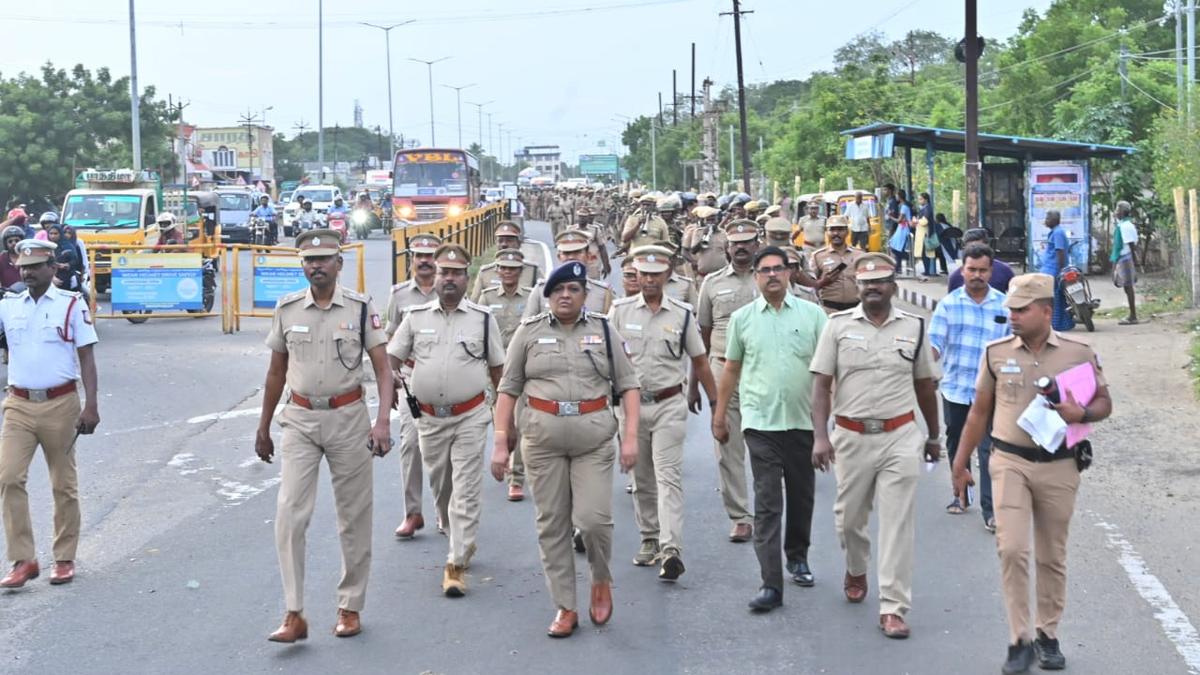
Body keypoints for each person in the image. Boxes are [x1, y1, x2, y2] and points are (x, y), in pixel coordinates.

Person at [951, 273, 1111, 674]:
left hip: (1059, 465)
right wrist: (960, 461)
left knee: (1051, 555)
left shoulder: (1078, 353)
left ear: (1045, 310)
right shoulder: (995, 352)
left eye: (1021, 310)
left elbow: (1105, 401)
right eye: (1010, 309)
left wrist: (1084, 413)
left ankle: (1047, 633)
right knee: (1012, 549)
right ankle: (1019, 638)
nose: (1013, 316)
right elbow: (978, 412)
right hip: (1009, 463)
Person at [489, 261, 641, 638]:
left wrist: (632, 437)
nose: (565, 296)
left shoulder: (604, 330)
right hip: (542, 441)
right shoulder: (529, 332)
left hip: (593, 440)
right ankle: (565, 605)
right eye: (559, 290)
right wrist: (500, 442)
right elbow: (508, 389)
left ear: (585, 295)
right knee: (552, 524)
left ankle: (600, 578)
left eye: (573, 289)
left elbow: (629, 385)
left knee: (593, 520)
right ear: (548, 296)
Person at [255, 229, 393, 643]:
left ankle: (350, 605)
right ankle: (294, 611)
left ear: (338, 264)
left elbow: (384, 371)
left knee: (353, 517)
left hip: (348, 417)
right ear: (303, 266)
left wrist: (382, 422)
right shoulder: (287, 308)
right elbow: (276, 372)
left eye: (324, 260)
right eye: (309, 261)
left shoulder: (360, 307)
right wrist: (262, 426)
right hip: (299, 418)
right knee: (289, 514)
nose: (316, 266)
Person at [810, 253, 942, 640]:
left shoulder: (915, 327)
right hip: (850, 436)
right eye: (866, 283)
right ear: (859, 287)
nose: (873, 288)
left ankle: (893, 606)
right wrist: (820, 436)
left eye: (881, 281)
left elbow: (925, 387)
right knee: (849, 520)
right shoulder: (836, 327)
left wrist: (933, 436)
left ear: (893, 287)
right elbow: (820, 385)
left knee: (898, 523)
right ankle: (855, 566)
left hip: (900, 436)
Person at [712, 245, 828, 612]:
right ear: (757, 277)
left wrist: (827, 423)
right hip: (760, 423)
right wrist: (719, 415)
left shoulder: (813, 315)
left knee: (802, 495)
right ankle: (770, 584)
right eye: (766, 270)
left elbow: (827, 372)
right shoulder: (743, 319)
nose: (773, 275)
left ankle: (798, 556)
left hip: (803, 422)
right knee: (766, 504)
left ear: (790, 273)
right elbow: (731, 368)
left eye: (780, 268)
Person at [388, 243, 505, 598]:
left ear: (466, 277)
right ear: (434, 276)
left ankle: (455, 562)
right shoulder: (415, 317)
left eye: (456, 273)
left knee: (466, 489)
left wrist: (505, 423)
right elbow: (391, 357)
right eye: (443, 272)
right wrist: (391, 379)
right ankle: (447, 522)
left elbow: (500, 373)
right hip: (429, 419)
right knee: (442, 486)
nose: (449, 279)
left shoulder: (483, 319)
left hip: (470, 416)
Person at [609, 247, 718, 579]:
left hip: (670, 404)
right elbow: (606, 362)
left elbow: (699, 361)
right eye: (644, 273)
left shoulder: (682, 314)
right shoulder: (619, 312)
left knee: (667, 477)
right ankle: (649, 539)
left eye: (657, 274)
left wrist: (717, 406)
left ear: (668, 275)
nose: (650, 280)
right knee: (641, 479)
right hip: (631, 408)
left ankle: (672, 549)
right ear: (637, 276)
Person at [0, 239, 100, 589]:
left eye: (35, 266)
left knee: (63, 484)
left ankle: (64, 557)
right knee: (8, 477)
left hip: (61, 403)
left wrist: (91, 405)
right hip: (18, 404)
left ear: (52, 268)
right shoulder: (8, 306)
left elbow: (86, 355)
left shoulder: (71, 305)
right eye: (23, 267)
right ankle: (23, 559)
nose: (27, 272)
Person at [929, 244, 1010, 530]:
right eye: (971, 269)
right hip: (956, 389)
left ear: (991, 271)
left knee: (989, 449)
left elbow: (1013, 346)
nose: (976, 275)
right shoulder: (949, 305)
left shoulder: (1005, 306)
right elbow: (935, 345)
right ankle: (960, 495)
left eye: (982, 270)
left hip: (991, 394)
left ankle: (991, 511)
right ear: (962, 270)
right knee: (955, 443)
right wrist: (922, 365)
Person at [695, 219, 761, 543]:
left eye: (748, 242)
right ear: (727, 248)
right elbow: (702, 337)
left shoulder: (771, 279)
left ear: (757, 245)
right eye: (737, 244)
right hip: (723, 370)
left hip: (765, 373)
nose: (743, 248)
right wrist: (696, 383)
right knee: (727, 445)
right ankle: (740, 516)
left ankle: (765, 508)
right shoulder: (711, 284)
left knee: (766, 445)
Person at [386, 233, 443, 539]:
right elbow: (390, 340)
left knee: (444, 450)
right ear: (411, 260)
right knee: (411, 445)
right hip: (411, 380)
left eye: (430, 255)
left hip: (445, 379)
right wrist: (390, 382)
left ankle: (445, 511)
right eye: (418, 256)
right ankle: (413, 512)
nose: (424, 261)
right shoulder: (398, 295)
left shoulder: (450, 290)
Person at [477, 249, 533, 501]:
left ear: (521, 272)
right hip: (495, 370)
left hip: (522, 369)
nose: (508, 272)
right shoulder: (487, 299)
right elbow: (477, 329)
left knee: (519, 422)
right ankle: (507, 454)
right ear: (497, 271)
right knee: (501, 421)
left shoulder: (532, 298)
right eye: (503, 268)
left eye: (513, 269)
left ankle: (516, 476)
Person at [523, 230, 614, 317]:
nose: (571, 257)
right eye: (566, 253)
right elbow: (527, 328)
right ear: (559, 257)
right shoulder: (541, 290)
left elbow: (611, 329)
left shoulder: (603, 293)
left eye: (577, 252)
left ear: (588, 256)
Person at [470, 221, 539, 301]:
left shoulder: (533, 270)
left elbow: (543, 300)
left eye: (509, 241)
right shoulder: (485, 272)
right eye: (500, 241)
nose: (504, 244)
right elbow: (474, 302)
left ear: (519, 244)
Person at [811, 216, 866, 312]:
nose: (836, 233)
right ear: (826, 232)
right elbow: (810, 286)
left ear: (847, 231)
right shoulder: (817, 256)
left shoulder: (860, 255)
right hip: (829, 311)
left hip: (855, 310)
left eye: (840, 229)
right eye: (832, 230)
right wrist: (822, 282)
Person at [1038, 211, 1074, 331]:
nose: (1046, 220)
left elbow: (1060, 252)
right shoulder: (1054, 232)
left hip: (1053, 270)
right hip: (1049, 269)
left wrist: (1060, 271)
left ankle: (1055, 323)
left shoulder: (1058, 233)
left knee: (1052, 298)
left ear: (1054, 220)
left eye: (1048, 218)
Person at [949, 228, 1014, 293]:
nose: (977, 275)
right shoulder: (955, 278)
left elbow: (1015, 296)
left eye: (979, 248)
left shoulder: (1004, 271)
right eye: (971, 248)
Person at [1111, 200, 1139, 325]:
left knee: (1128, 287)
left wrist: (1135, 261)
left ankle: (1133, 316)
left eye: (1117, 210)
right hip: (1124, 258)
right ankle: (1132, 314)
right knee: (1127, 287)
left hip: (1126, 258)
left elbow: (1131, 245)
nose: (1116, 212)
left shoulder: (1125, 226)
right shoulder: (1123, 224)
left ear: (1122, 212)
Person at [912, 193, 937, 278]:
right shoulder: (924, 208)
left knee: (925, 253)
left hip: (925, 234)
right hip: (922, 233)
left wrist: (917, 220)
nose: (919, 201)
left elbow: (924, 221)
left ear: (925, 199)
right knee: (924, 253)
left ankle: (927, 271)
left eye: (921, 199)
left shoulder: (928, 208)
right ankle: (926, 270)